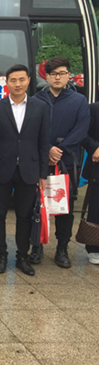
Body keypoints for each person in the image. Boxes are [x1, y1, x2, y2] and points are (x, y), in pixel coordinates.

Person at [0, 64, 50, 276]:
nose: (17, 84)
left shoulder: (41, 107)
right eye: (13, 80)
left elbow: (43, 143)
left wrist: (42, 173)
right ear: (6, 83)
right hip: (0, 169)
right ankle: (1, 256)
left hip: (29, 170)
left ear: (28, 80)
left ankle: (22, 257)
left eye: (21, 79)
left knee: (25, 215)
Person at [32, 56, 90, 268]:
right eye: (53, 74)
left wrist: (61, 149)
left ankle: (62, 248)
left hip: (67, 161)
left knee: (64, 206)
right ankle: (36, 246)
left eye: (62, 73)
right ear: (46, 76)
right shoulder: (36, 99)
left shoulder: (79, 101)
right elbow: (30, 129)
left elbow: (82, 129)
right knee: (37, 204)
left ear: (68, 76)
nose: (57, 77)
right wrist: (47, 148)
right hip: (40, 160)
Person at [82, 102, 99, 265]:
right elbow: (83, 134)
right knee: (96, 208)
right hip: (98, 167)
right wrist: (94, 148)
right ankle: (94, 247)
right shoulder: (94, 108)